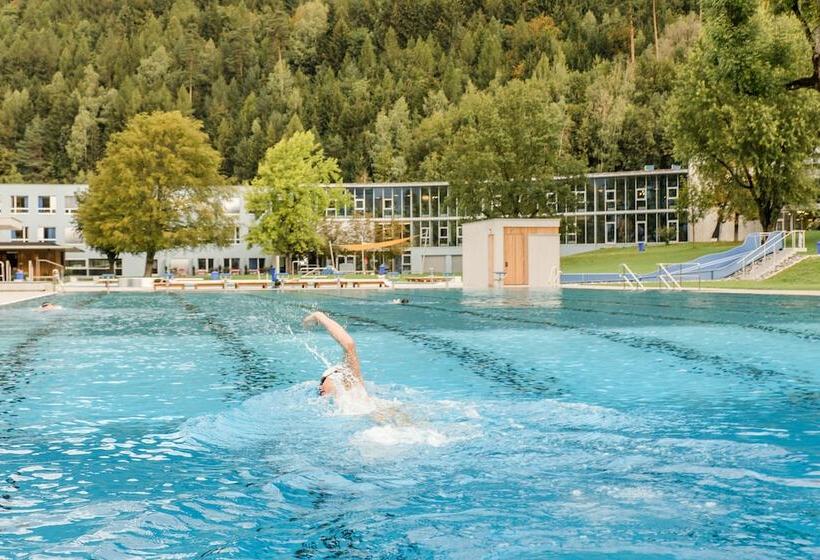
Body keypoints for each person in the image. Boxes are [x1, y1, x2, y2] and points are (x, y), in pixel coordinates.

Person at [303, 311, 367, 398]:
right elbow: (349, 346)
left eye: (324, 380)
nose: (320, 387)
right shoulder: (353, 393)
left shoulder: (355, 389)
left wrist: (320, 317)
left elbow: (349, 345)